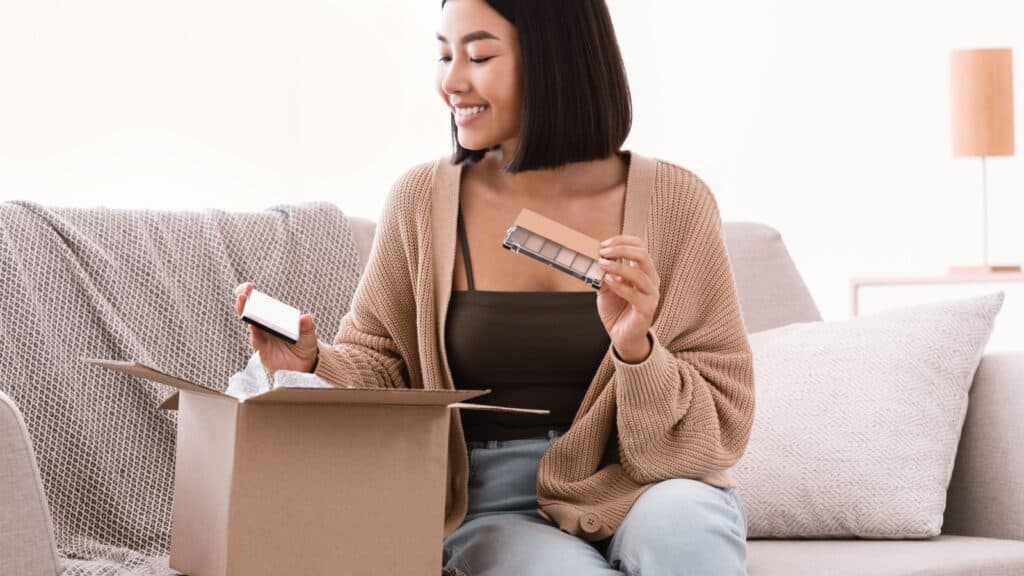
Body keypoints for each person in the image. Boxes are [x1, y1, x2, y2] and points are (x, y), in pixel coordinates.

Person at [234, 0, 754, 574]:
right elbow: (384, 366)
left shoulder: (678, 203)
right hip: (495, 505)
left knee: (688, 539)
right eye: (444, 54)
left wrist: (638, 349)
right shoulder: (421, 201)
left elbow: (722, 421)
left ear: (556, 60)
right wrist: (312, 365)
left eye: (479, 55)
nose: (451, 81)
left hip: (650, 483)